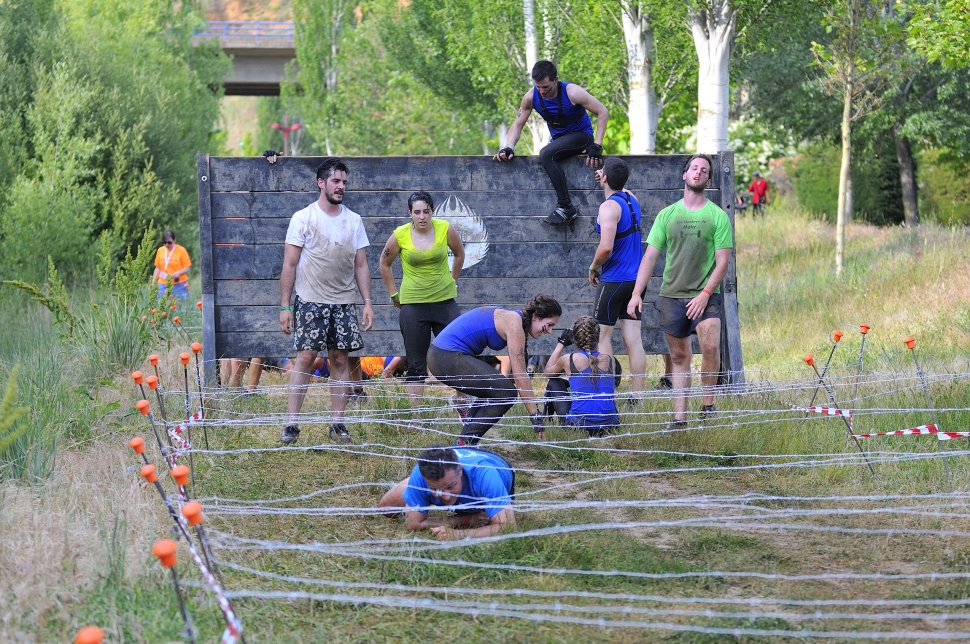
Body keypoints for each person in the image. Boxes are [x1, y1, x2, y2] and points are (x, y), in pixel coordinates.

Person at [626, 154, 733, 429]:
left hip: (706, 295)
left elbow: (722, 262)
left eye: (704, 170)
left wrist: (705, 293)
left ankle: (708, 406)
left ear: (709, 180)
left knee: (710, 346)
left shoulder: (717, 216)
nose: (698, 172)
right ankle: (679, 418)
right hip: (672, 295)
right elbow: (649, 257)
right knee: (679, 357)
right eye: (694, 168)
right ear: (684, 175)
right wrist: (637, 293)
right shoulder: (667, 214)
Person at [279, 158, 374, 445]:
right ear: (321, 183)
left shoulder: (353, 220)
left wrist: (368, 302)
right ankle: (291, 425)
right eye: (336, 181)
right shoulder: (303, 218)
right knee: (306, 357)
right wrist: (286, 306)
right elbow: (289, 265)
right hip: (309, 301)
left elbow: (361, 265)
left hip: (343, 302)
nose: (341, 186)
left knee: (340, 358)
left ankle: (338, 423)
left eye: (344, 182)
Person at [427, 295, 562, 444]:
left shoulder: (514, 319)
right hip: (444, 356)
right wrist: (535, 415)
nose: (549, 331)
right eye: (549, 325)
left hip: (441, 354)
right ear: (536, 317)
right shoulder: (514, 325)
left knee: (495, 388)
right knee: (506, 393)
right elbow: (520, 376)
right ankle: (464, 443)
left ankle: (466, 439)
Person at [379, 191, 465, 417]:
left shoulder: (445, 229)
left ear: (432, 211)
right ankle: (416, 416)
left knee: (458, 352)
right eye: (417, 212)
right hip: (413, 305)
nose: (422, 216)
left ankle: (461, 401)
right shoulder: (400, 234)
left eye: (426, 211)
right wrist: (394, 295)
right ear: (410, 213)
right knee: (416, 361)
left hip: (444, 301)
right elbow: (384, 263)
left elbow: (459, 254)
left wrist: (452, 281)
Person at [493, 60, 609, 226]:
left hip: (582, 136)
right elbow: (518, 124)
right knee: (548, 152)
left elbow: (603, 111)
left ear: (556, 80)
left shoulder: (573, 92)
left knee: (546, 154)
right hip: (559, 140)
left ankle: (566, 207)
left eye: (545, 87)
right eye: (538, 87)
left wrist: (597, 145)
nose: (542, 91)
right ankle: (565, 206)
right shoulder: (531, 97)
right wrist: (509, 147)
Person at [587, 157, 649, 402]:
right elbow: (618, 183)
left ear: (604, 178)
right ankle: (638, 396)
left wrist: (593, 268)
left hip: (614, 280)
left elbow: (605, 248)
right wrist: (607, 174)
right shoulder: (632, 199)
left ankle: (607, 393)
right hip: (637, 281)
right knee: (633, 338)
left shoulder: (608, 208)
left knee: (602, 336)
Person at [378, 446, 515, 540]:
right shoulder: (421, 475)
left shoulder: (486, 475)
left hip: (491, 461)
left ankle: (415, 491)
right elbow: (413, 524)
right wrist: (464, 520)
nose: (446, 496)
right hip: (450, 461)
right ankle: (413, 488)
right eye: (436, 489)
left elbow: (508, 526)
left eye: (451, 486)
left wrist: (457, 534)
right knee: (386, 508)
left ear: (459, 470)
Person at [543, 316, 619, 436]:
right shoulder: (610, 360)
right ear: (598, 337)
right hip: (610, 425)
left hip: (578, 426)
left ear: (575, 339)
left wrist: (561, 343)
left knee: (554, 382)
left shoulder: (569, 359)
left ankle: (548, 418)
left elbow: (548, 372)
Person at [152, 230, 191, 300]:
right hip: (163, 284)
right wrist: (153, 283)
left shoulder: (181, 250)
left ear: (174, 240)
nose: (167, 244)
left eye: (169, 242)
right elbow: (157, 268)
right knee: (163, 307)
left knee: (180, 307)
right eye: (164, 242)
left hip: (179, 284)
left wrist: (178, 273)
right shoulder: (160, 250)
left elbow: (187, 268)